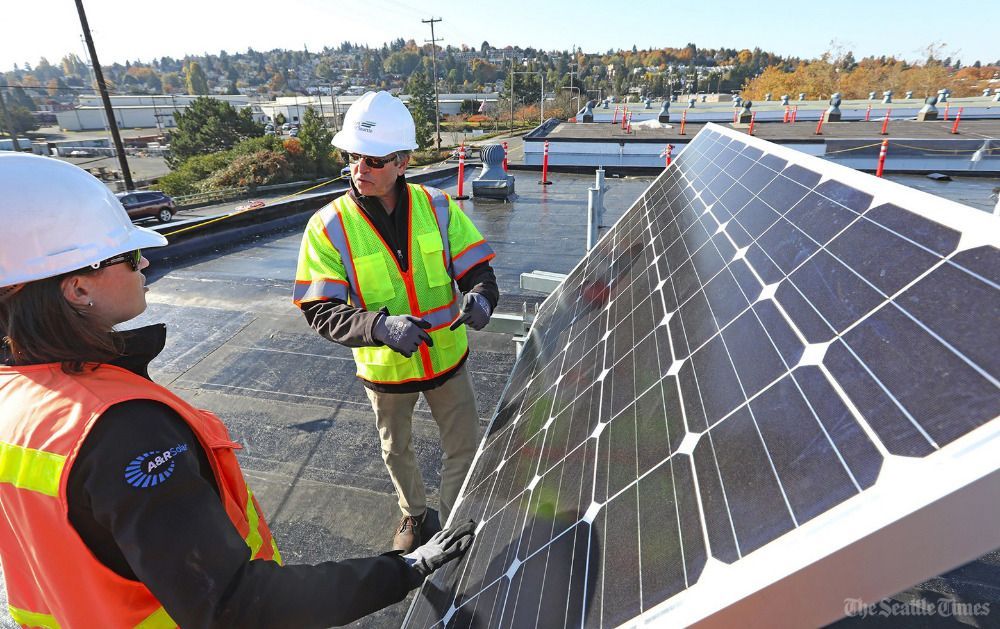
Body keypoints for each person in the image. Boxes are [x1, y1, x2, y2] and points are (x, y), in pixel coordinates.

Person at [0, 153, 474, 629]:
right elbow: (237, 603)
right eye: (126, 256)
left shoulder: (15, 396)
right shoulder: (121, 430)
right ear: (78, 289)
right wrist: (404, 569)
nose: (144, 261)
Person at [293, 91, 498, 553]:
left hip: (448, 359)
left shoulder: (438, 207)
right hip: (385, 372)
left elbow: (477, 270)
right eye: (352, 157)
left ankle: (449, 520)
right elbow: (318, 308)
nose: (359, 169)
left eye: (373, 160)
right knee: (395, 450)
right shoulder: (327, 227)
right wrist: (380, 329)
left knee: (463, 447)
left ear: (402, 162)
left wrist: (483, 297)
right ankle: (413, 514)